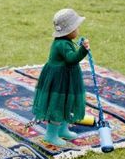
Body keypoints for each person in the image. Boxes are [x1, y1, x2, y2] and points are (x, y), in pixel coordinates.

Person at [32, 8, 90, 147]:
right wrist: (83, 50)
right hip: (60, 80)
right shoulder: (62, 44)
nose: (78, 29)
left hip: (66, 78)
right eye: (76, 27)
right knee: (58, 106)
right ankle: (51, 136)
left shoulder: (65, 41)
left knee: (66, 104)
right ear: (68, 30)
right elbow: (71, 59)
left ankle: (63, 130)